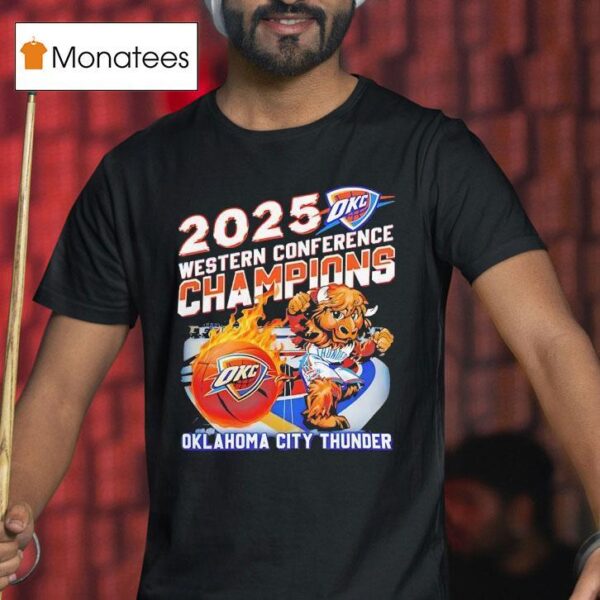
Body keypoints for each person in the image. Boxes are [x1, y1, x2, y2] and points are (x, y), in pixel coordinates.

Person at [1, 0, 599, 598]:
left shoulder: (431, 153)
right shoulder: (136, 175)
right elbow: (58, 392)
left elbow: (548, 342)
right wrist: (12, 514)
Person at [445, 432, 578, 599]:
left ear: (520, 512)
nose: (454, 518)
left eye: (467, 501)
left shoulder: (582, 577)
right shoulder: (450, 581)